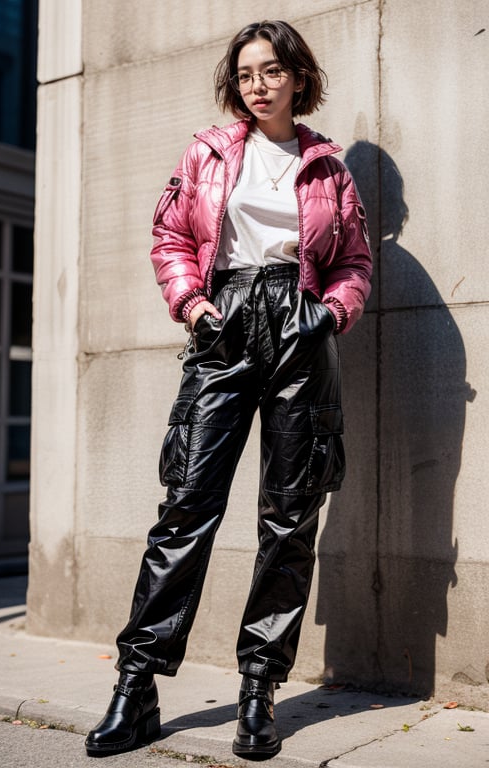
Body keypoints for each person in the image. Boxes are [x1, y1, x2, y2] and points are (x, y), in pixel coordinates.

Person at [85, 19, 372, 760]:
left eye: (271, 70)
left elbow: (355, 261)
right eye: (246, 73)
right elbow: (171, 238)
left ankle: (258, 691)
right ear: (234, 84)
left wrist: (331, 312)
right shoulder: (208, 152)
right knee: (185, 507)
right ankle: (137, 686)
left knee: (288, 517)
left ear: (297, 77)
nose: (258, 84)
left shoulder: (328, 167)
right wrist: (193, 304)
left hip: (300, 332)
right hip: (225, 323)